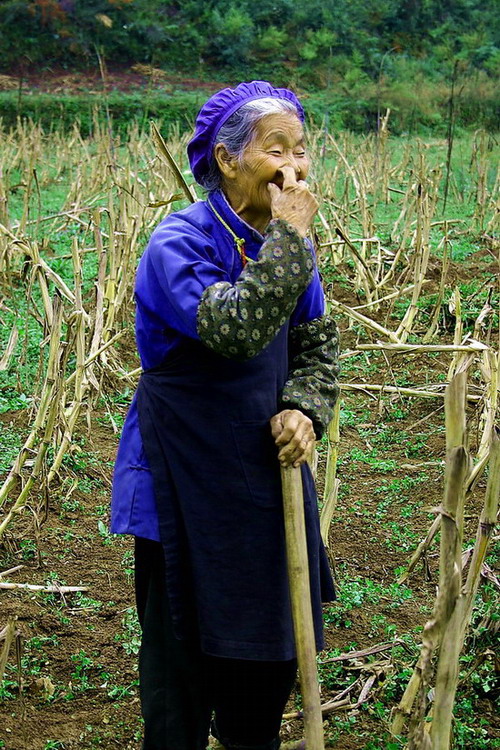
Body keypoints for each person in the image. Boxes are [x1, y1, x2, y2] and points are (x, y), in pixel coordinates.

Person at [111, 80, 340, 750]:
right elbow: (233, 328)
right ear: (229, 159)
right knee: (182, 679)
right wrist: (292, 241)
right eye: (277, 150)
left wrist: (304, 407)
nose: (294, 167)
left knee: (262, 667)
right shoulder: (177, 244)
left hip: (264, 477)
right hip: (181, 478)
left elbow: (317, 344)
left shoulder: (289, 246)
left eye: (302, 151)